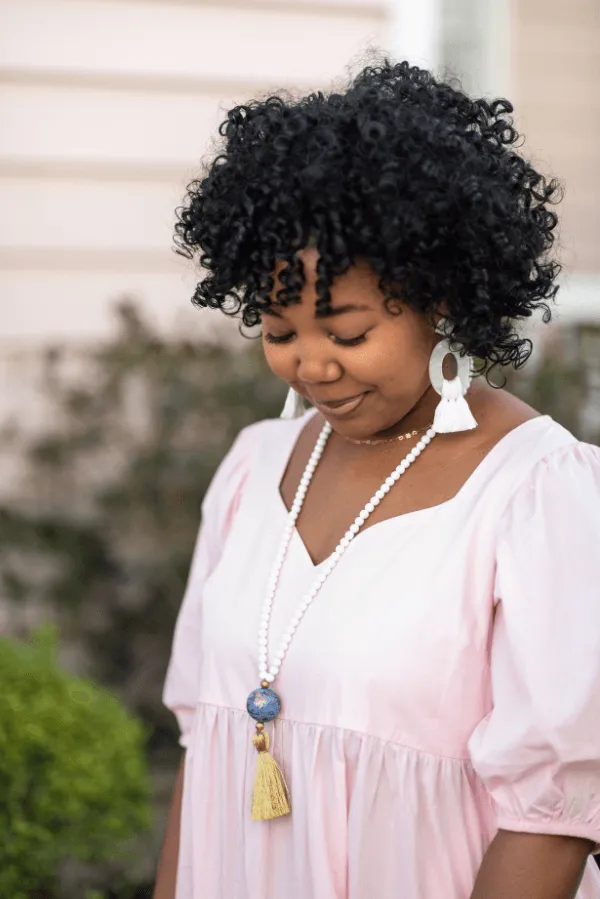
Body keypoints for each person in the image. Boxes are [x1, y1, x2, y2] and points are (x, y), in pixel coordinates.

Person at [153, 60, 600, 899]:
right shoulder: (252, 468)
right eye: (280, 329)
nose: (312, 365)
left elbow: (553, 817)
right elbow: (202, 748)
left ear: (439, 297)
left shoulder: (538, 494)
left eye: (348, 332)